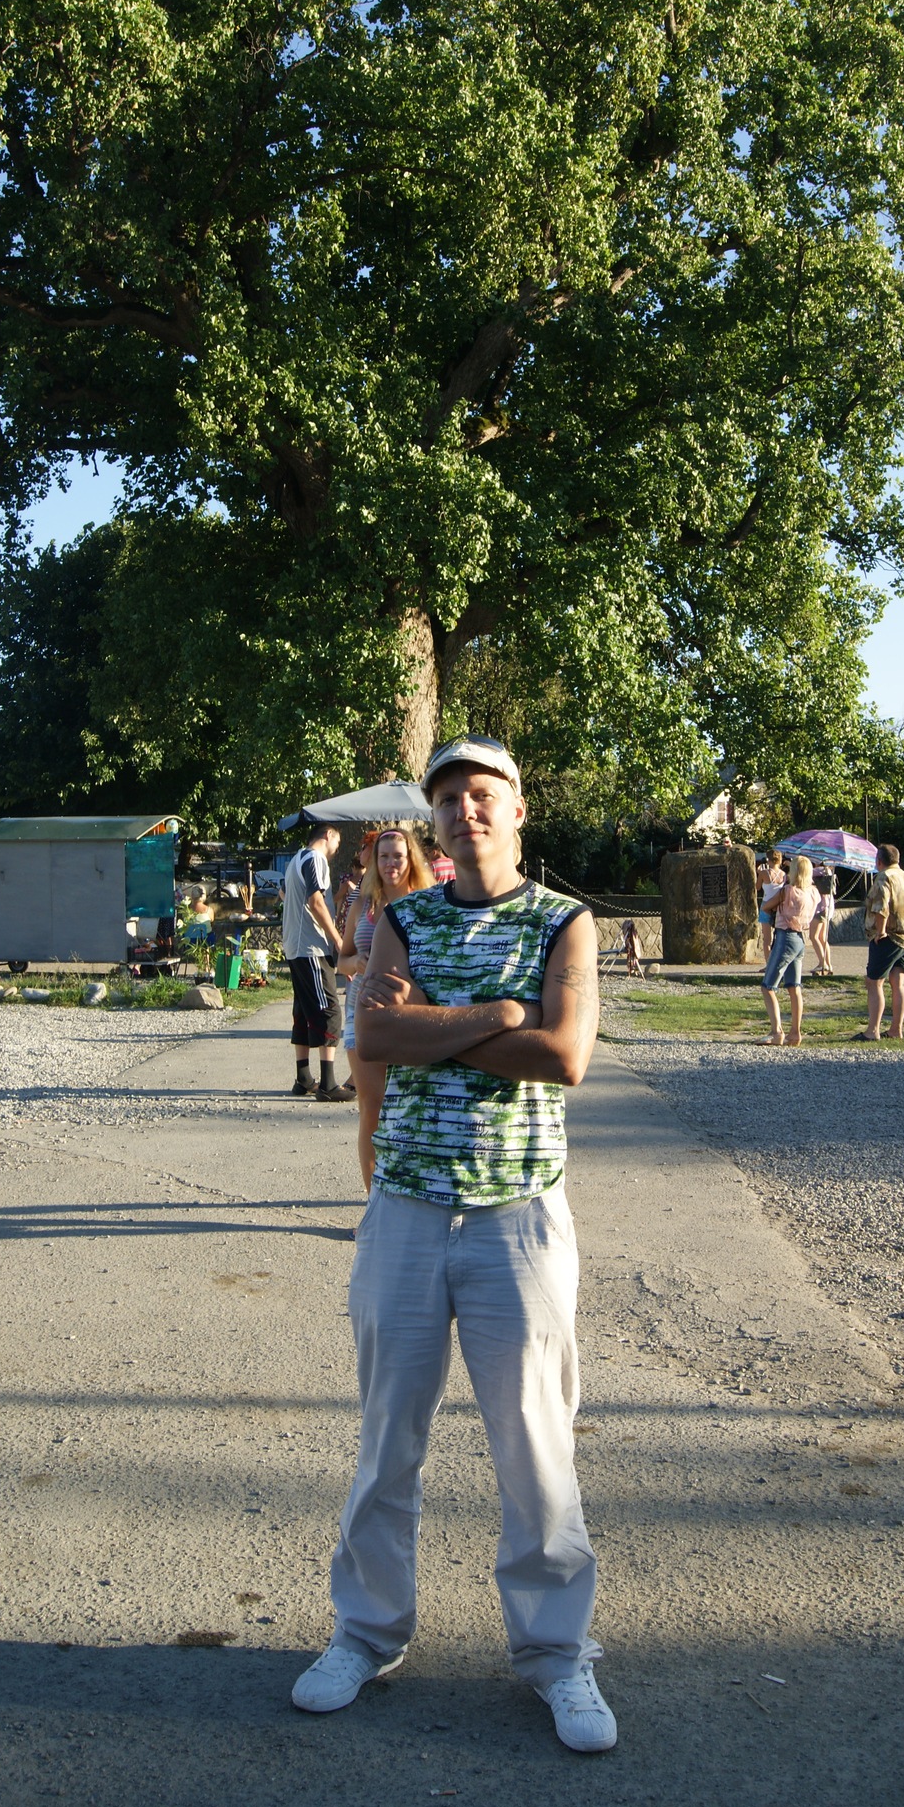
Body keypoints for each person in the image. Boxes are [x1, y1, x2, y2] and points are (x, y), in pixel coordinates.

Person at [291, 735, 614, 1755]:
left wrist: (434, 1019)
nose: (464, 811)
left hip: (518, 1214)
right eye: (447, 799)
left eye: (482, 794)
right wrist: (500, 1011)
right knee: (387, 1437)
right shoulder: (404, 917)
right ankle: (365, 1632)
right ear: (431, 821)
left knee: (535, 1445)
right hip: (406, 1209)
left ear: (517, 809)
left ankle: (557, 1655)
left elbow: (563, 1055)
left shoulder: (563, 920)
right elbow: (374, 1038)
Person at [340, 828, 435, 1194]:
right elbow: (341, 959)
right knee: (372, 1107)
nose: (391, 863)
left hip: (410, 1016)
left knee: (413, 1104)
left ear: (411, 860)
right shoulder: (363, 906)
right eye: (384, 856)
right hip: (362, 1015)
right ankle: (374, 1201)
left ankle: (413, 1191)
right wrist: (355, 963)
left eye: (398, 856)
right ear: (374, 862)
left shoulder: (426, 905)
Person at [280, 823, 352, 1101]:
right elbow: (315, 901)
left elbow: (288, 896)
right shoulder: (315, 858)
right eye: (338, 843)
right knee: (329, 1010)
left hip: (295, 946)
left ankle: (303, 1078)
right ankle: (328, 1085)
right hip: (311, 947)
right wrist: (338, 940)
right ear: (329, 835)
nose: (337, 850)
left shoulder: (295, 860)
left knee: (303, 1010)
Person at [859, 842, 904, 1042]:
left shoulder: (884, 877)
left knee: (874, 982)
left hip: (889, 937)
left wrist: (880, 932)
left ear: (879, 861)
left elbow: (881, 907)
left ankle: (872, 1030)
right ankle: (896, 1029)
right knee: (899, 982)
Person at [760, 852, 819, 1045]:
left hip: (785, 936)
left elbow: (766, 906)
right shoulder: (813, 892)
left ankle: (776, 1031)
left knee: (768, 986)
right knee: (794, 986)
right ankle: (795, 1032)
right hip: (800, 938)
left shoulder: (787, 891)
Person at [757, 850, 785, 959]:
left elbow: (757, 887)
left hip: (766, 904)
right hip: (779, 906)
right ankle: (777, 960)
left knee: (767, 939)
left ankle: (769, 963)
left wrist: (759, 873)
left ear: (768, 860)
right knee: (779, 936)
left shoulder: (764, 873)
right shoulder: (784, 875)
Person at [809, 865, 835, 977]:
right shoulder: (827, 871)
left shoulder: (816, 871)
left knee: (813, 936)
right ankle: (828, 964)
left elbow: (804, 874)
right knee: (822, 938)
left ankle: (823, 963)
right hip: (828, 907)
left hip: (819, 908)